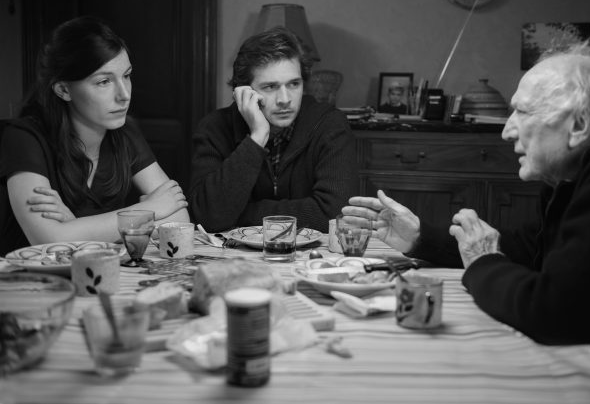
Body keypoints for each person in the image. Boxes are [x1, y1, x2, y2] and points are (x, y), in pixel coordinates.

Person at [342, 42, 590, 404]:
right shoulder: (580, 172)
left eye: (522, 112)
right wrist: (420, 238)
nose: (506, 131)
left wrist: (485, 262)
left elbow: (554, 312)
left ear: (579, 125)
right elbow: (529, 249)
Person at [0, 16, 189, 257]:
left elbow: (179, 220)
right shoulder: (23, 138)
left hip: (98, 273)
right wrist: (148, 210)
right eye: (104, 81)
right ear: (64, 90)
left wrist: (74, 227)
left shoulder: (124, 134)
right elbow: (48, 241)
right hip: (29, 277)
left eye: (127, 75)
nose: (124, 95)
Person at [188, 26, 358, 233]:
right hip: (233, 252)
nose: (285, 99)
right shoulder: (214, 128)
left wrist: (240, 214)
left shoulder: (330, 124)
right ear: (243, 91)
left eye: (294, 84)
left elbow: (334, 214)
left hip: (311, 252)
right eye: (270, 87)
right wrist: (257, 138)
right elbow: (207, 217)